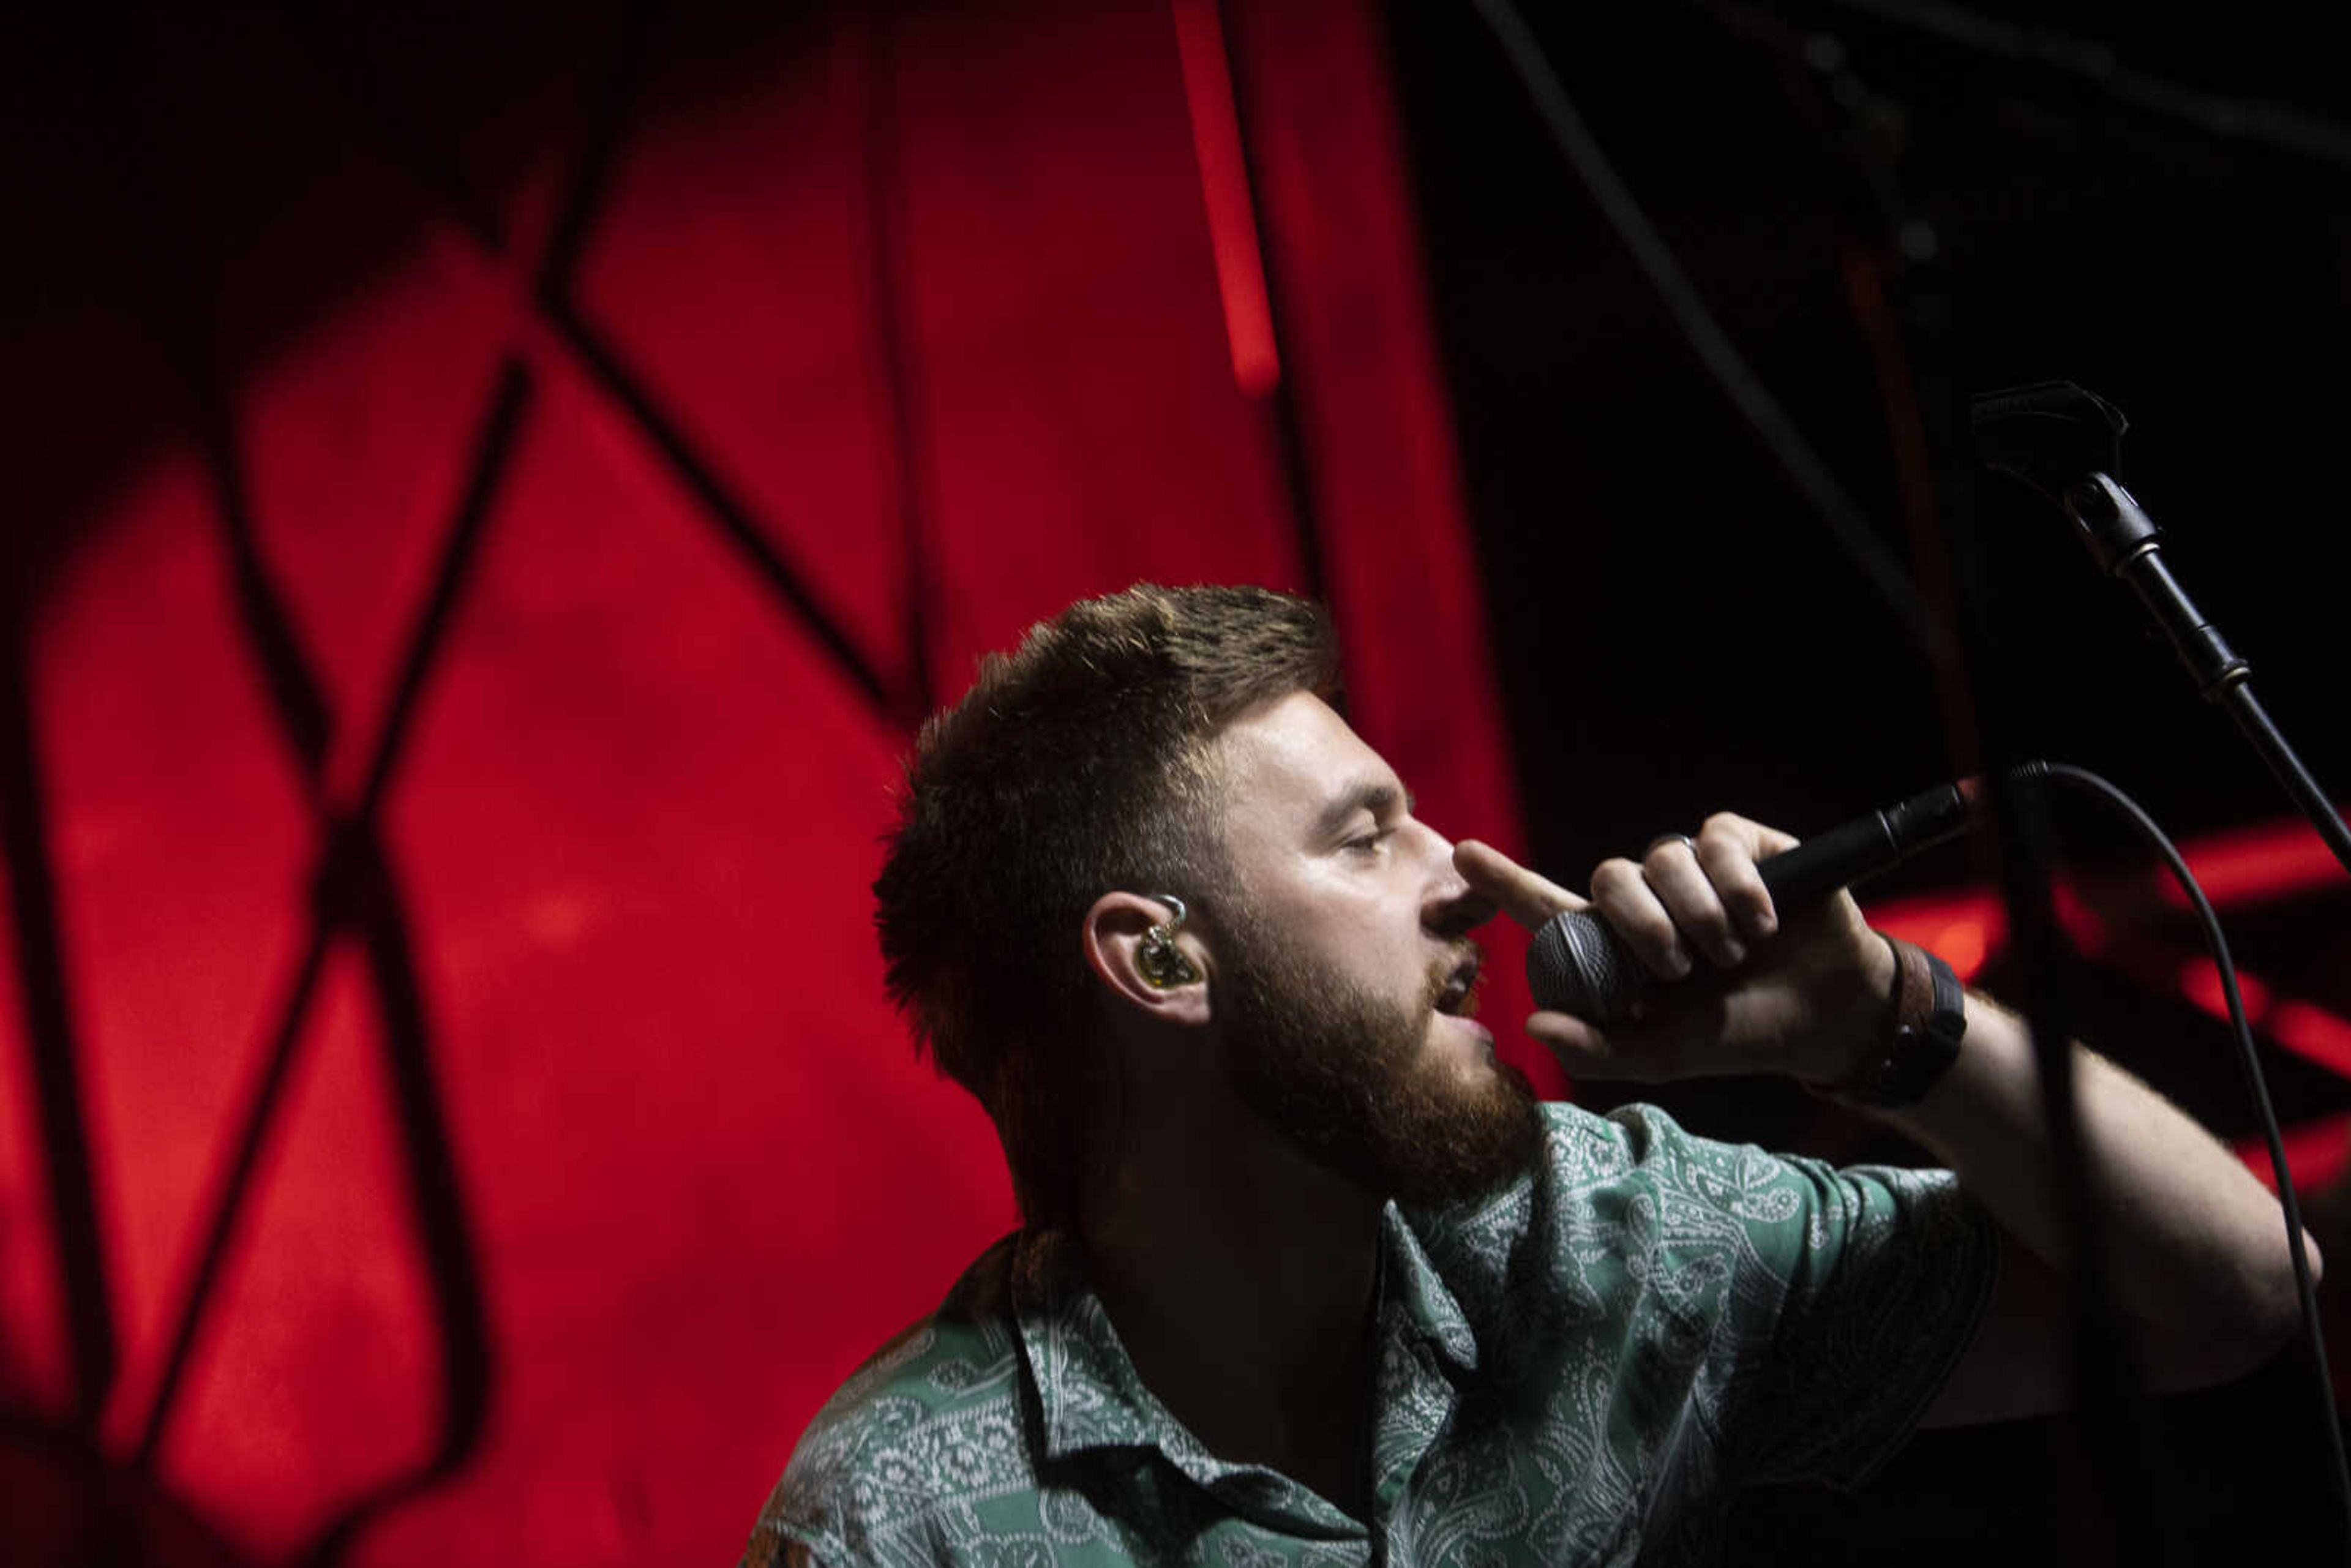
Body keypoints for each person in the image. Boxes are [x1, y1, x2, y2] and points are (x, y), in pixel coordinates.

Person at [740, 583, 2310, 1567]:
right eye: (1367, 836)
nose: (1471, 880)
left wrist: (1880, 1024)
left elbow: (2234, 1296)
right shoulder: (899, 1522)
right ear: (1159, 959)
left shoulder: (1608, 1244)